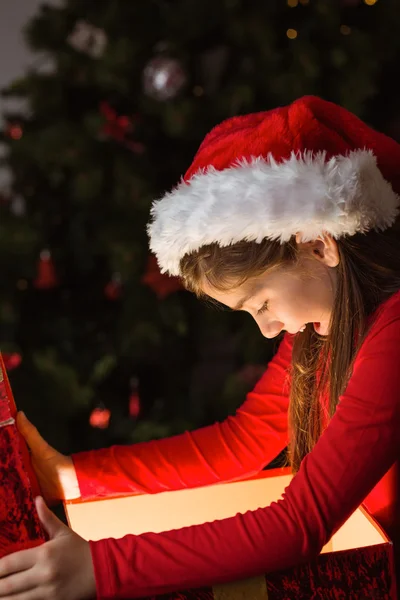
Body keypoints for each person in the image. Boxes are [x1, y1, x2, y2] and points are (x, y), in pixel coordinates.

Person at [1, 94, 400, 599]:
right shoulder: (322, 328)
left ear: (320, 244)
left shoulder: (390, 335)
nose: (269, 330)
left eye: (262, 302)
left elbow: (300, 524)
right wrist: (72, 475)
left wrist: (100, 568)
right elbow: (241, 441)